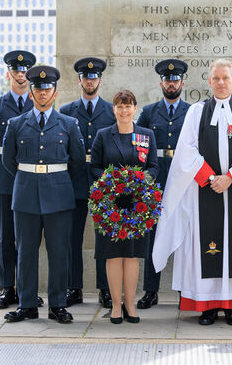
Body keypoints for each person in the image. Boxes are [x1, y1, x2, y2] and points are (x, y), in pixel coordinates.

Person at [152, 59, 232, 327]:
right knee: (204, 245)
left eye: (225, 78)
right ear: (209, 81)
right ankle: (207, 307)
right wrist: (209, 178)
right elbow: (186, 150)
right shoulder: (196, 112)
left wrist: (230, 178)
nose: (221, 83)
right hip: (204, 191)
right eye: (216, 78)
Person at [2, 66, 85, 324]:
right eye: (37, 88)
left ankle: (57, 304)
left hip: (59, 195)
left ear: (55, 93)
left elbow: (78, 162)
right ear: (31, 92)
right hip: (26, 193)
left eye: (47, 89)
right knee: (25, 251)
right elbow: (8, 160)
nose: (42, 93)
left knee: (59, 252)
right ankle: (27, 305)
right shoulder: (16, 124)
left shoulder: (69, 124)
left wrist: (55, 180)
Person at [0, 50, 43, 309]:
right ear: (8, 74)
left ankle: (28, 289)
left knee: (28, 236)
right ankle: (7, 288)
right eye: (15, 71)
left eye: (24, 71)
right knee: (6, 235)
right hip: (4, 177)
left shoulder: (38, 102)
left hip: (30, 176)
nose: (20, 76)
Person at [89, 90, 159, 324]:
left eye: (128, 106)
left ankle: (130, 304)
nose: (124, 110)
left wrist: (136, 182)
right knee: (112, 255)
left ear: (135, 108)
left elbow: (153, 166)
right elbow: (95, 167)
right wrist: (115, 181)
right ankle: (116, 306)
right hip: (110, 203)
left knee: (131, 256)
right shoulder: (103, 135)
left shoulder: (146, 135)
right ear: (114, 109)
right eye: (120, 106)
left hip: (137, 204)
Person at [59, 57, 116, 308]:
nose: (90, 81)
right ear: (79, 80)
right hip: (74, 181)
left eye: (94, 77)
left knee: (104, 239)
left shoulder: (111, 111)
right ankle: (74, 287)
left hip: (102, 182)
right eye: (86, 77)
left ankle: (105, 288)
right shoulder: (66, 111)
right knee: (72, 239)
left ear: (100, 80)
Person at [135, 59, 190, 309]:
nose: (172, 84)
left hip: (182, 181)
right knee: (153, 238)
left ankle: (185, 291)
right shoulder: (148, 112)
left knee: (184, 238)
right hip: (155, 181)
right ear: (161, 83)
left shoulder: (192, 111)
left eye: (176, 80)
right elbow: (140, 148)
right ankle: (150, 290)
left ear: (182, 83)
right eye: (168, 81)